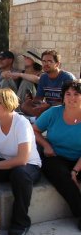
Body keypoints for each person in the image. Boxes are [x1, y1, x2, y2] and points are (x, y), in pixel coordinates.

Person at [0, 88, 42, 235]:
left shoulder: (21, 123)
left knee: (19, 175)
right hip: (5, 162)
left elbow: (22, 159)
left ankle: (21, 223)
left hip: (28, 166)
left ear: (7, 105)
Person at [33, 79, 81, 231]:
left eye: (76, 94)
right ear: (63, 96)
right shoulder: (54, 112)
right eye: (68, 94)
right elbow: (34, 130)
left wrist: (76, 170)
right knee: (62, 176)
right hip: (55, 155)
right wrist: (46, 145)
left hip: (79, 158)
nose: (72, 97)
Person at [21, 50, 75, 117]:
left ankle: (41, 119)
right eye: (44, 61)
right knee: (25, 106)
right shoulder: (43, 77)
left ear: (57, 64)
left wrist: (49, 106)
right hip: (47, 107)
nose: (46, 64)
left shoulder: (67, 77)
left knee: (55, 108)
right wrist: (32, 100)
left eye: (50, 61)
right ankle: (41, 118)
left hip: (63, 108)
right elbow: (39, 98)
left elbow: (70, 101)